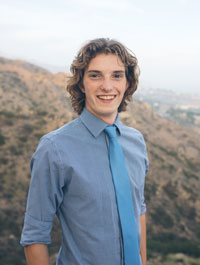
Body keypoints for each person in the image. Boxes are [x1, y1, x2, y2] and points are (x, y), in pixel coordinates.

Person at [20, 38, 149, 265]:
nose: (107, 86)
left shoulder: (136, 142)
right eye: (95, 75)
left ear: (127, 83)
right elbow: (35, 234)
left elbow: (138, 210)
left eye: (117, 75)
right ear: (81, 84)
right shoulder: (54, 149)